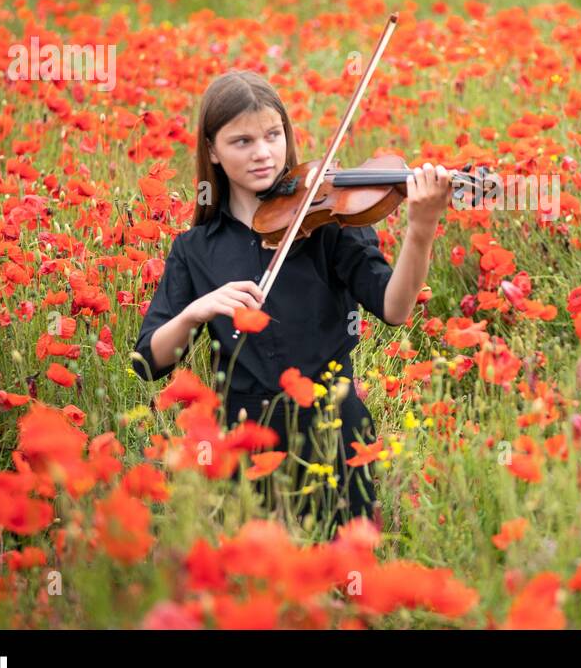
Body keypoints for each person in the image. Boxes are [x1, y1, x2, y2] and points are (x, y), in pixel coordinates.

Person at [130, 69, 452, 530]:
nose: (263, 153)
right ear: (212, 152)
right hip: (247, 442)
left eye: (273, 135)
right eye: (242, 142)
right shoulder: (195, 250)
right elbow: (147, 362)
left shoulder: (328, 223)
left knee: (344, 579)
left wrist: (421, 229)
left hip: (334, 434)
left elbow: (395, 308)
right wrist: (197, 309)